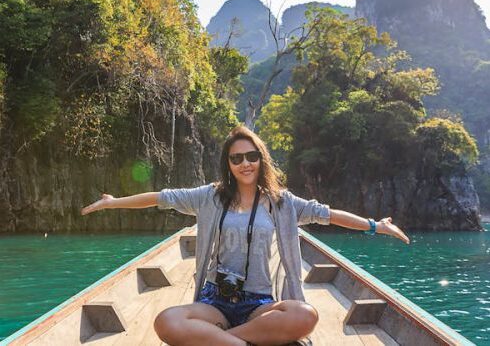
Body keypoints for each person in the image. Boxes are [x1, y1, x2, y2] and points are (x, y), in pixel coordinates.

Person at [81, 125, 409, 346]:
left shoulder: (282, 203)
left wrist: (375, 226)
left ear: (260, 159)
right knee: (166, 322)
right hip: (215, 300)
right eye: (236, 158)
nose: (245, 163)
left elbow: (329, 214)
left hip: (258, 303)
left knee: (304, 315)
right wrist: (113, 203)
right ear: (229, 163)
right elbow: (159, 197)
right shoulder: (208, 196)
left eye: (251, 156)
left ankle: (222, 339)